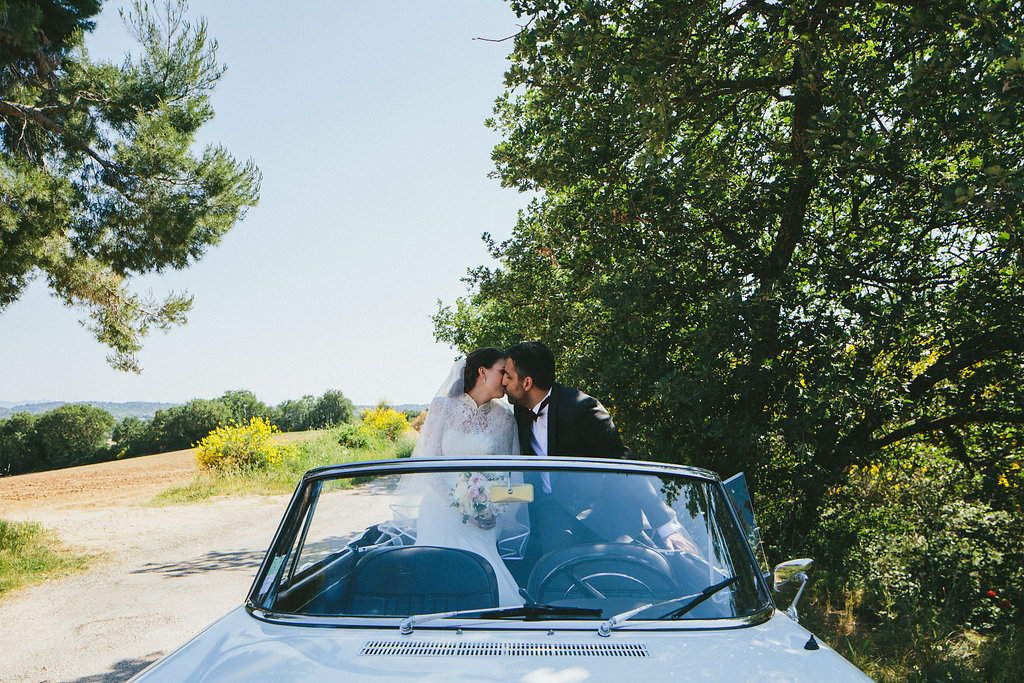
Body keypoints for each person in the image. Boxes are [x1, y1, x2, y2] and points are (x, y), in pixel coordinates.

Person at [502, 341, 699, 555]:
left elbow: (623, 462)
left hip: (599, 520)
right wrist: (488, 499)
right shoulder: (519, 413)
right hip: (549, 519)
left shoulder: (581, 408)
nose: (503, 381)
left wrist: (666, 527)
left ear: (527, 383)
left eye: (509, 376)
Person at [400, 347, 526, 606]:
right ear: (482, 372)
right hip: (438, 509)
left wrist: (488, 511)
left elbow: (507, 478)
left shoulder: (505, 420)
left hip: (483, 519)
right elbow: (428, 464)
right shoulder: (441, 407)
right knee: (435, 575)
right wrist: (461, 505)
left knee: (482, 570)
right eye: (502, 372)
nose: (505, 379)